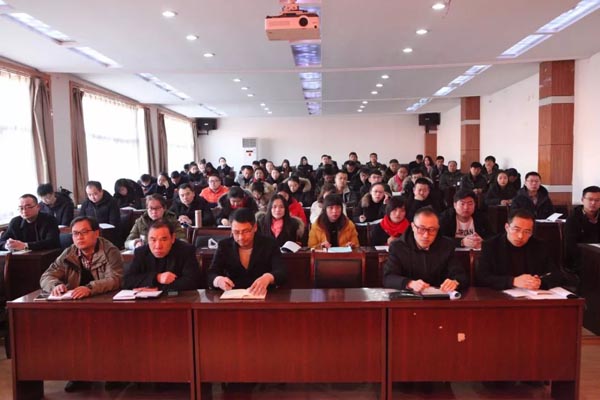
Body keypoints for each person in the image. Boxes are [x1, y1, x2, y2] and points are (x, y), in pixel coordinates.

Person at [477, 209, 566, 290]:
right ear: (507, 227)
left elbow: (557, 274)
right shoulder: (491, 245)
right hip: (500, 297)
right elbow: (482, 278)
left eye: (527, 232)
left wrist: (540, 282)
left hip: (532, 296)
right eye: (516, 230)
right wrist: (513, 281)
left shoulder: (539, 246)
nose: (520, 236)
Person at [383, 207, 468, 292]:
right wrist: (409, 283)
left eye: (432, 230)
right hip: (409, 297)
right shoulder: (398, 247)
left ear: (438, 228)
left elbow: (460, 276)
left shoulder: (446, 246)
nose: (426, 235)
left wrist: (455, 282)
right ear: (413, 227)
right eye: (421, 229)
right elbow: (388, 278)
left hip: (439, 296)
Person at [207, 208, 286, 295]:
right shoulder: (224, 246)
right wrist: (218, 280)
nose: (241, 237)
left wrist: (269, 277)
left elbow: (281, 272)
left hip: (263, 296)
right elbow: (211, 273)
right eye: (236, 232)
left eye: (246, 231)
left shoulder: (269, 244)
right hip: (233, 296)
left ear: (255, 227)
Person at [40, 216, 123, 298]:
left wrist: (90, 288)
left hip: (103, 299)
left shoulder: (110, 251)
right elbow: (46, 276)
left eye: (84, 232)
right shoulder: (69, 253)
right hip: (74, 300)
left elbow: (116, 279)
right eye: (75, 233)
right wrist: (56, 285)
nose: (79, 237)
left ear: (96, 233)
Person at [123, 219, 201, 290]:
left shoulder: (186, 251)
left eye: (164, 240)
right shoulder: (141, 252)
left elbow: (192, 282)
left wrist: (157, 288)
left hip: (178, 299)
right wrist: (157, 277)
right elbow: (127, 281)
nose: (158, 246)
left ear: (173, 238)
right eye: (153, 240)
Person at [564, 186, 600, 274]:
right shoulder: (573, 218)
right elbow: (571, 245)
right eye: (590, 199)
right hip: (579, 260)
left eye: (597, 200)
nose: (593, 203)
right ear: (582, 200)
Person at [79, 181, 121, 245]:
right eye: (89, 195)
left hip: (108, 235)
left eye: (95, 194)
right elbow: (80, 220)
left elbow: (114, 223)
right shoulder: (86, 203)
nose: (92, 197)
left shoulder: (112, 202)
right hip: (89, 233)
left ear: (101, 191)